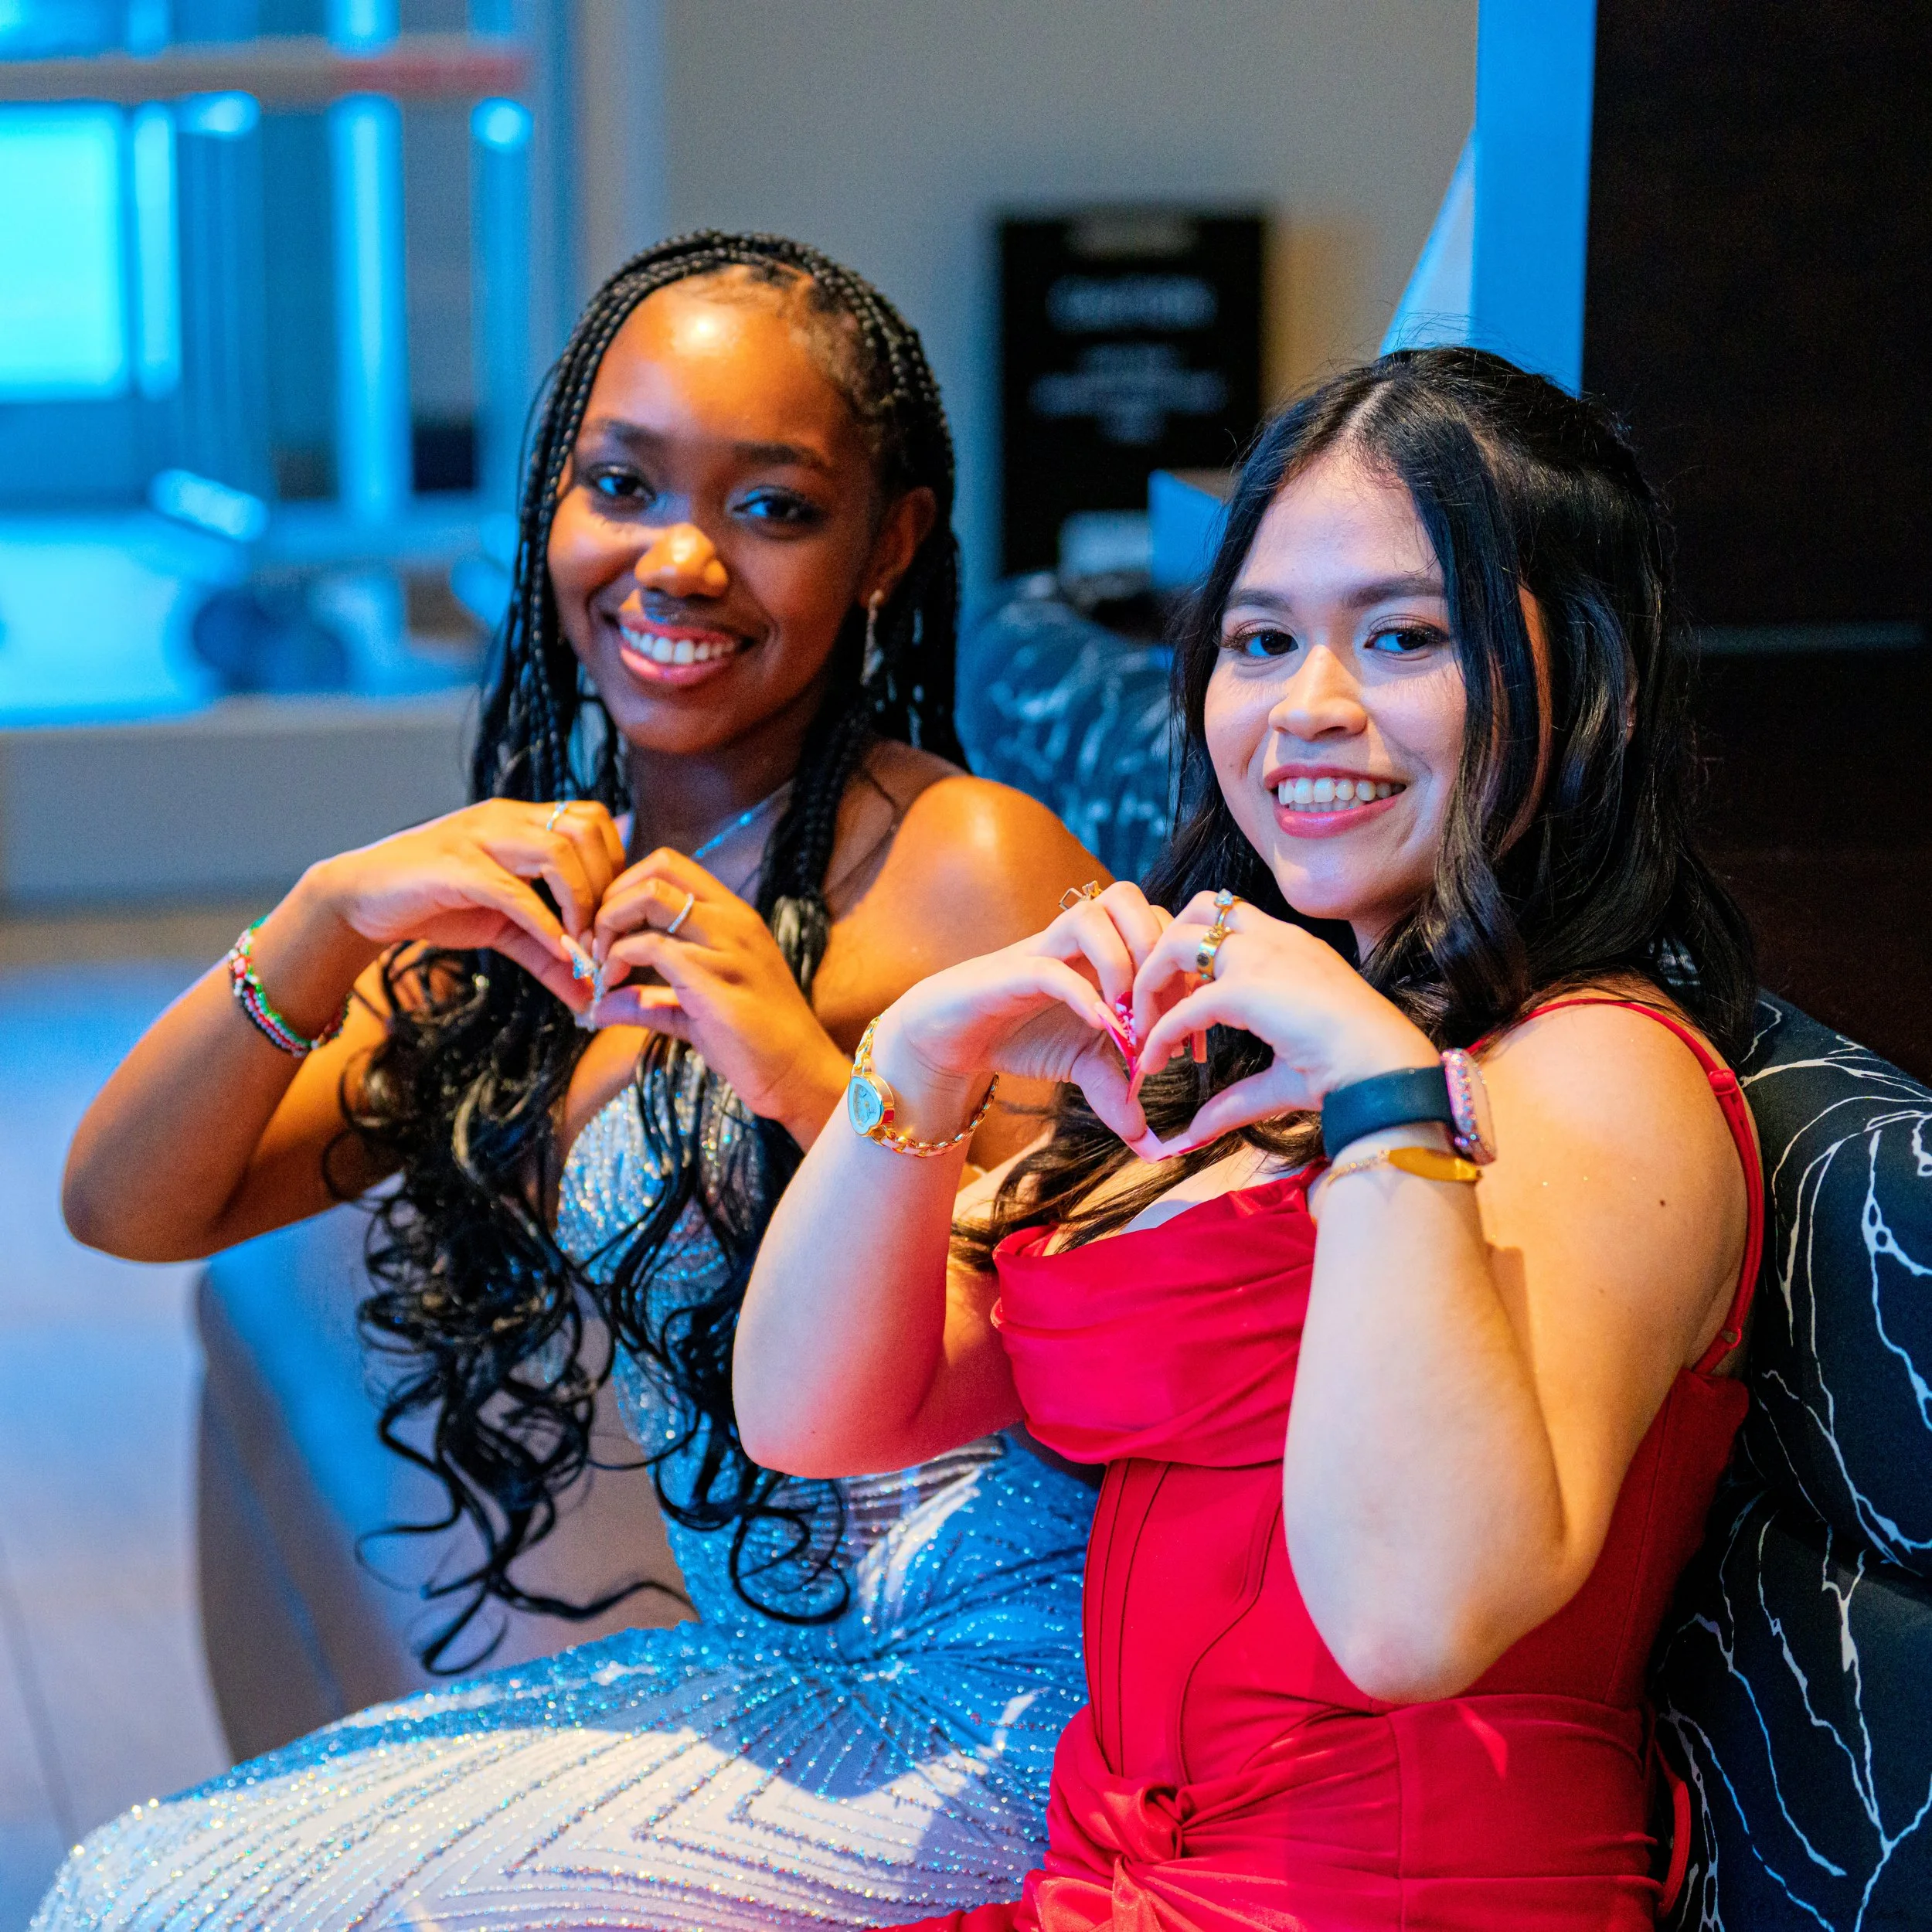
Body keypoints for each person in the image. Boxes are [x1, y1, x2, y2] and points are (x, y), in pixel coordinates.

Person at [39, 233, 1100, 1930]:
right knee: (132, 1876)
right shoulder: (552, 906)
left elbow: (1121, 1351)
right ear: (549, 511)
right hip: (777, 1675)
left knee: (160, 1905)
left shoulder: (963, 860)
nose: (676, 560)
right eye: (621, 483)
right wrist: (322, 923)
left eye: (771, 507)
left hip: (1004, 1698)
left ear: (887, 544)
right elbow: (124, 1204)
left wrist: (808, 1077)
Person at [736, 347, 1764, 1930]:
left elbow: (1411, 1616)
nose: (1308, 708)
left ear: (1588, 683)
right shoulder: (1239, 1050)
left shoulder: (1594, 1071)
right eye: (1261, 638)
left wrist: (1375, 1077)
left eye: (1405, 636)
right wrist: (917, 1059)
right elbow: (814, 1409)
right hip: (1105, 1879)